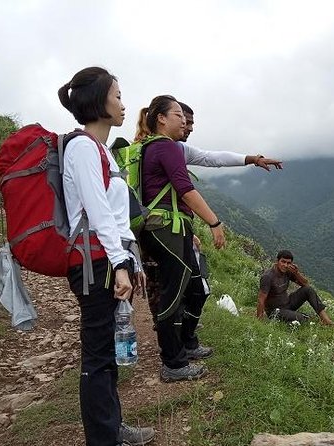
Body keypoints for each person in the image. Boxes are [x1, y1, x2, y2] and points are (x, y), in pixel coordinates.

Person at [58, 67, 154, 446]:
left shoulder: (102, 151)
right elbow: (97, 214)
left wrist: (132, 260)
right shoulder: (82, 148)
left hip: (110, 258)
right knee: (98, 354)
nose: (123, 103)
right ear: (99, 101)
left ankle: (112, 426)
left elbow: (117, 216)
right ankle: (104, 437)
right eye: (117, 95)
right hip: (95, 263)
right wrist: (118, 264)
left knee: (110, 350)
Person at [135, 95, 226, 382]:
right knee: (173, 295)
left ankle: (186, 344)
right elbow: (185, 189)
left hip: (166, 228)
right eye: (178, 115)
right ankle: (173, 363)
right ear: (161, 118)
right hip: (168, 229)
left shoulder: (151, 147)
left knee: (190, 289)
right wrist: (214, 222)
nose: (184, 121)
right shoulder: (166, 146)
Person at [256, 250, 334, 325]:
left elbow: (305, 284)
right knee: (302, 319)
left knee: (308, 290)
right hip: (275, 311)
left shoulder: (288, 271)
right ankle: (289, 319)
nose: (285, 265)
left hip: (288, 303)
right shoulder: (268, 277)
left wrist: (296, 273)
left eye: (288, 263)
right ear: (277, 261)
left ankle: (325, 320)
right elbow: (261, 299)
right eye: (283, 262)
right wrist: (260, 319)